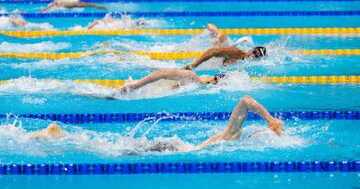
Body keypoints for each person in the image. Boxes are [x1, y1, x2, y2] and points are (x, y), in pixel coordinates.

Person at [27, 96, 283, 152]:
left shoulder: (230, 138)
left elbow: (247, 103)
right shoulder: (231, 137)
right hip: (172, 148)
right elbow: (245, 101)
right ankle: (58, 136)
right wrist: (270, 119)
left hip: (173, 146)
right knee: (111, 150)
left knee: (110, 147)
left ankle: (60, 135)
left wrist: (270, 121)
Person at [117, 69, 225, 93]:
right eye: (215, 80)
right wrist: (137, 84)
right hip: (156, 76)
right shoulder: (192, 76)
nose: (214, 82)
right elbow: (161, 73)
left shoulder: (193, 82)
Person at [40, 0, 107, 12]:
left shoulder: (56, 4)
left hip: (63, 3)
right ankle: (97, 5)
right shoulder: (62, 4)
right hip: (64, 4)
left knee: (80, 4)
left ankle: (96, 5)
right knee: (79, 4)